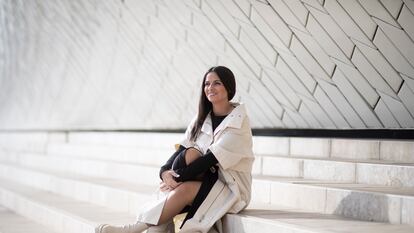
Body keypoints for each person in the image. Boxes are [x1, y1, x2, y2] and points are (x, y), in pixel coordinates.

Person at [95, 66, 254, 233]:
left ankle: (132, 229)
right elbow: (182, 149)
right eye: (207, 84)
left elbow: (210, 159)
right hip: (204, 179)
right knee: (191, 153)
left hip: (230, 187)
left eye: (217, 83)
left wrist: (177, 180)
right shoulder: (201, 118)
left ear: (229, 87)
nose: (210, 88)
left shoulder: (238, 121)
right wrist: (164, 172)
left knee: (183, 188)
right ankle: (152, 227)